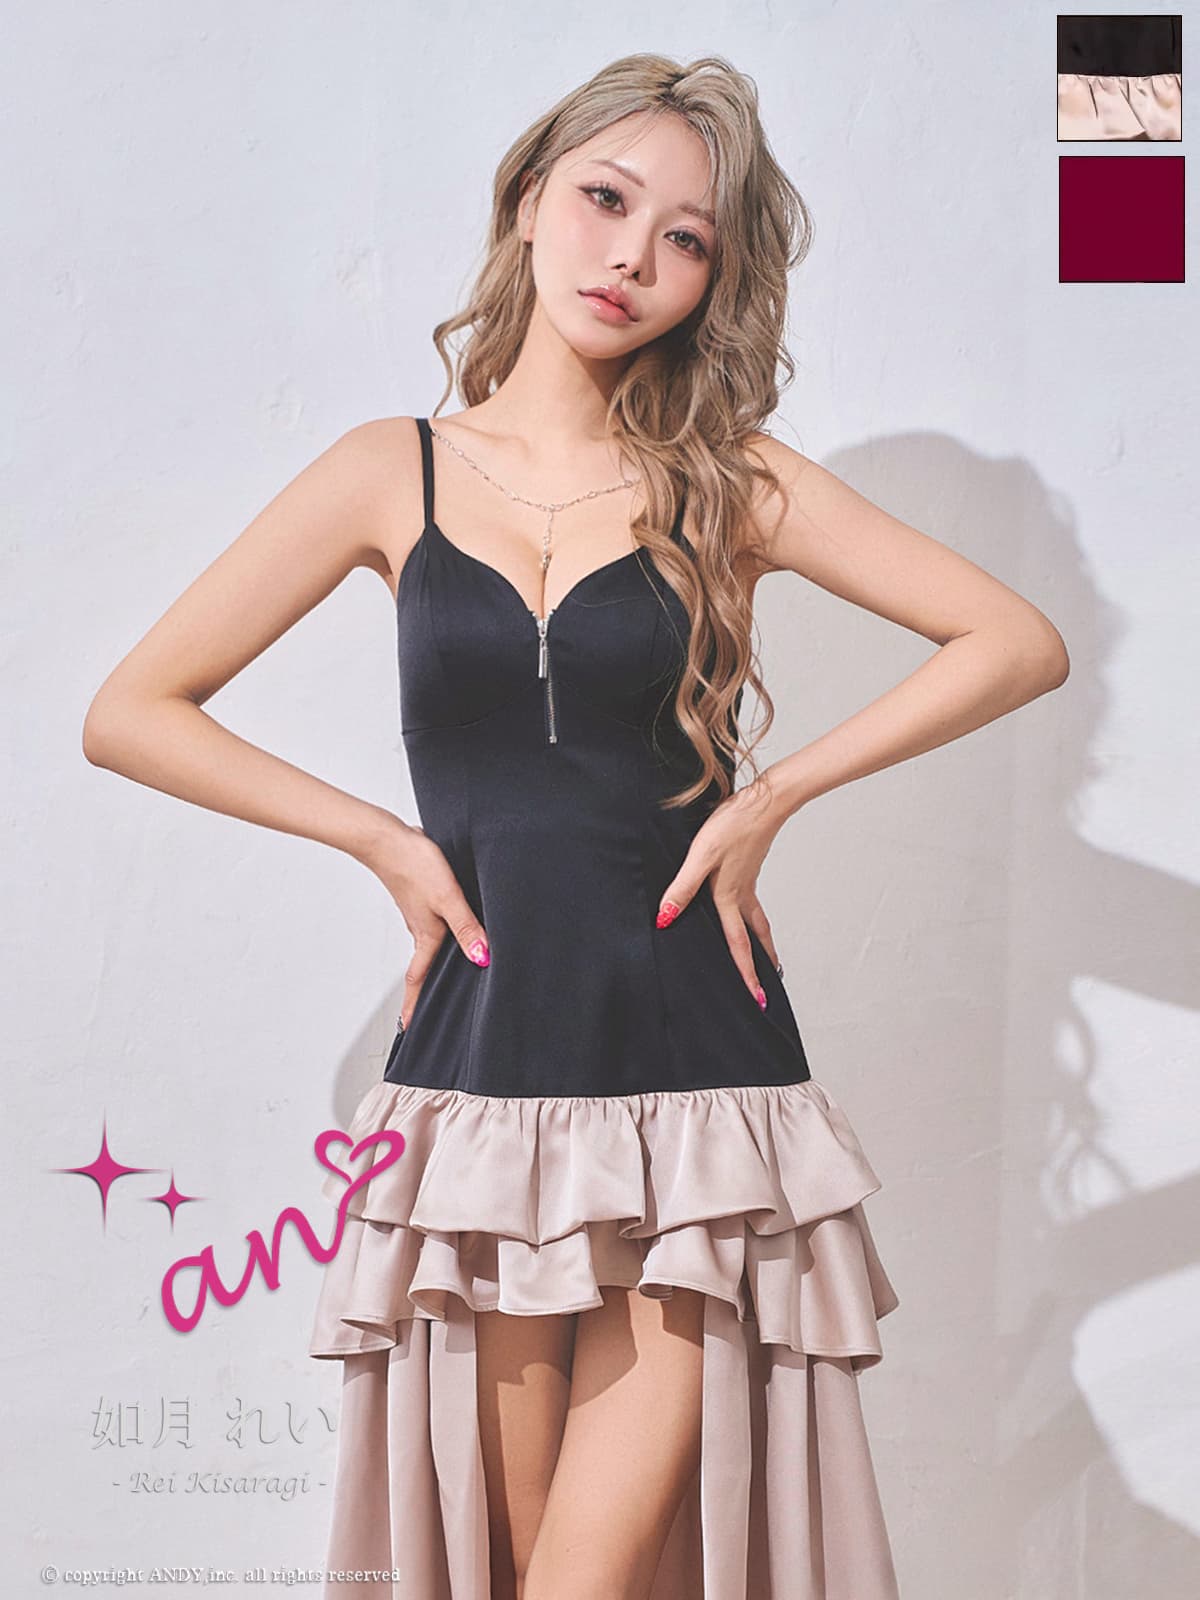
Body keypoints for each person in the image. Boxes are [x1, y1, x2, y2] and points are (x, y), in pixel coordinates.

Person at [82, 52, 1069, 1600]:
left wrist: (774, 795)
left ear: (714, 280)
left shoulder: (729, 483)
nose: (631, 257)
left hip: (699, 1081)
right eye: (607, 200)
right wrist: (380, 840)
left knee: (582, 1580)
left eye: (686, 239)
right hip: (488, 1082)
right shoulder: (390, 470)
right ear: (532, 196)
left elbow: (1014, 641)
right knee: (511, 1570)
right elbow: (132, 709)